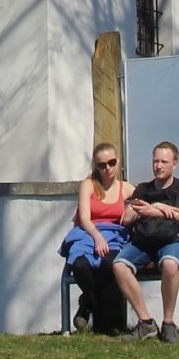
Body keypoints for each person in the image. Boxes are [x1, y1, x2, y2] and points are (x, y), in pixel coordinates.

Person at [112, 140, 179, 343]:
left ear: (174, 164)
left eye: (164, 162)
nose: (158, 166)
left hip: (174, 240)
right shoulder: (142, 189)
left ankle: (168, 324)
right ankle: (146, 323)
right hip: (144, 242)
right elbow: (127, 218)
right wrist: (139, 210)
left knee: (169, 264)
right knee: (119, 266)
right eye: (155, 161)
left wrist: (157, 208)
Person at [58, 142, 133, 333]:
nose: (107, 168)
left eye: (111, 162)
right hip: (88, 232)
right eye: (102, 165)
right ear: (95, 166)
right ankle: (91, 304)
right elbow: (84, 218)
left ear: (117, 161)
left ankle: (106, 322)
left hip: (114, 236)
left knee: (110, 265)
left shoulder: (125, 188)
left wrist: (134, 209)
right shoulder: (88, 185)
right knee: (80, 265)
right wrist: (97, 237)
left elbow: (148, 198)